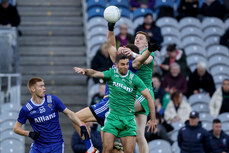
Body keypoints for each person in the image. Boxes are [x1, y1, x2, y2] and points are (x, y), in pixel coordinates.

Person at [74, 53, 157, 153]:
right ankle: (91, 149)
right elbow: (95, 73)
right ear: (116, 65)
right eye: (123, 64)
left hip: (128, 120)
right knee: (107, 149)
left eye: (127, 64)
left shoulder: (135, 79)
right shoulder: (112, 74)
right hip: (113, 118)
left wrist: (153, 119)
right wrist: (85, 71)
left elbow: (149, 97)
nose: (126, 67)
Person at [13, 77, 86, 153]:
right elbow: (16, 128)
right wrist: (29, 133)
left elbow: (70, 113)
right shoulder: (27, 109)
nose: (44, 88)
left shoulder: (53, 100)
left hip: (56, 145)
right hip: (38, 147)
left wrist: (81, 125)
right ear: (33, 89)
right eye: (41, 86)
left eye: (44, 86)